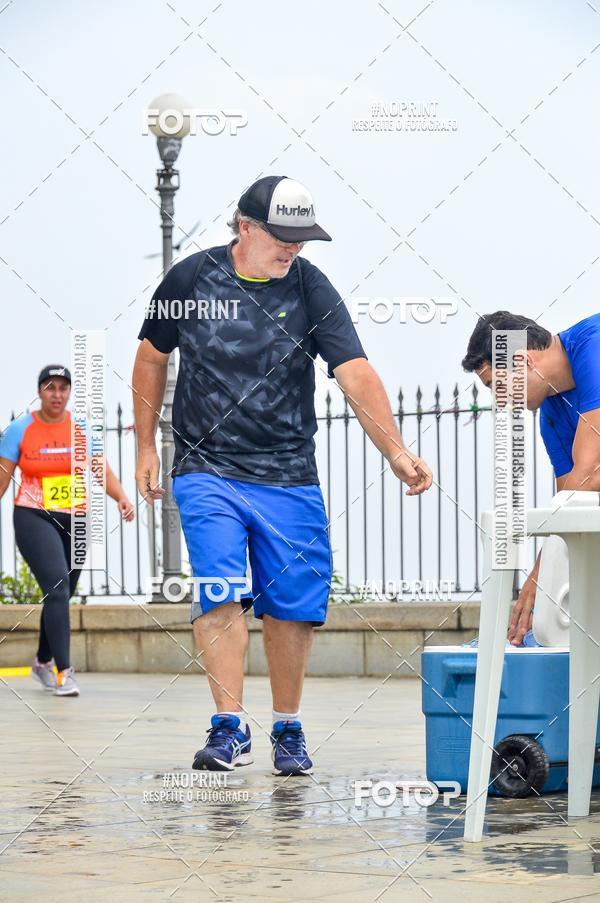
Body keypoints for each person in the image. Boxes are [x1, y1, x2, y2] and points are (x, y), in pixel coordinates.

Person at [133, 175, 433, 774]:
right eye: (283, 236)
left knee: (292, 606)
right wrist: (144, 444)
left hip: (288, 471)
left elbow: (355, 373)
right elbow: (150, 355)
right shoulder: (190, 280)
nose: (294, 248)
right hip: (206, 466)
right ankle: (227, 726)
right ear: (246, 227)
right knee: (219, 587)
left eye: (303, 238)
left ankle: (287, 727)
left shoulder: (311, 288)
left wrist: (395, 451)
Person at [462, 311, 600, 645]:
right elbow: (571, 510)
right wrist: (539, 581)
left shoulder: (593, 345)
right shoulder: (551, 415)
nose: (498, 398)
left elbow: (590, 474)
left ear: (522, 360)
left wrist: (539, 577)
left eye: (496, 384)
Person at [0, 365, 135, 696]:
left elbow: (100, 469)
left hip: (75, 518)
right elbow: (2, 477)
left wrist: (121, 497)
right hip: (34, 515)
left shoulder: (81, 428)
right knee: (58, 586)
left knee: (62, 592)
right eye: (50, 388)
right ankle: (65, 673)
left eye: (63, 388)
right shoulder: (20, 429)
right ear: (40, 391)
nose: (57, 394)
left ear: (69, 392)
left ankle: (42, 662)